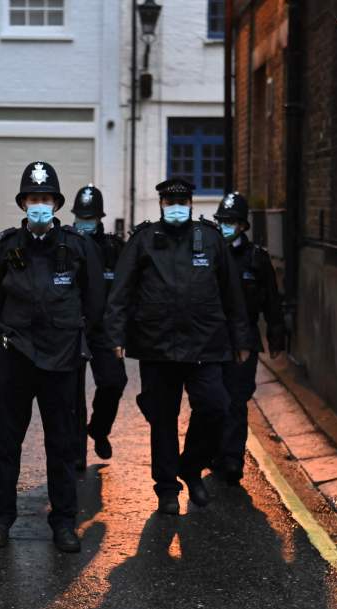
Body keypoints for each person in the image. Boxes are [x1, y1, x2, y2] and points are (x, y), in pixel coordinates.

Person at [104, 178, 254, 516]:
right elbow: (121, 293)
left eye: (182, 201)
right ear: (160, 205)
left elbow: (232, 294)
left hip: (206, 344)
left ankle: (191, 465)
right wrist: (115, 336)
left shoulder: (211, 240)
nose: (176, 207)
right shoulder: (143, 240)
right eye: (170, 202)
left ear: (191, 204)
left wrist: (241, 339)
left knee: (216, 406)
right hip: (157, 346)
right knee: (163, 418)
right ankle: (167, 487)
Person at [0, 161, 105, 553]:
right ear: (23, 204)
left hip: (61, 359)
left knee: (62, 444)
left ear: (56, 204)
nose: (39, 205)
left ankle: (64, 522)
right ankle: (0, 520)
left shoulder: (76, 246)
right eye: (33, 198)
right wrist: (0, 338)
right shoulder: (6, 246)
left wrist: (83, 339)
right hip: (17, 359)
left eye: (46, 199)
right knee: (7, 443)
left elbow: (94, 301)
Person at [209, 192, 285, 483]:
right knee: (213, 400)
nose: (226, 226)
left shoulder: (256, 259)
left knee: (236, 401)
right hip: (213, 339)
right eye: (222, 221)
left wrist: (277, 337)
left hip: (244, 341)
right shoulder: (211, 255)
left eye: (231, 221)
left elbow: (272, 302)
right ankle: (213, 451)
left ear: (242, 225)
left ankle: (232, 459)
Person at [70, 184, 127, 470]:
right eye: (80, 217)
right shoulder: (65, 244)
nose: (84, 223)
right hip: (71, 329)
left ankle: (99, 429)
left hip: (104, 329)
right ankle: (77, 452)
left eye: (89, 218)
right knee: (72, 394)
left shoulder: (113, 249)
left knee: (114, 382)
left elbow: (127, 287)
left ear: (100, 218)